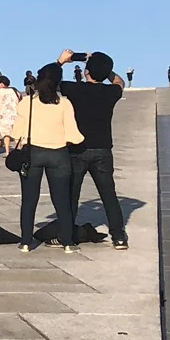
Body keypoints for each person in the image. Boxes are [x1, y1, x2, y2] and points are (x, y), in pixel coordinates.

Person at [11, 62, 84, 253]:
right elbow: (74, 135)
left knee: (29, 199)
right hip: (58, 154)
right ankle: (68, 242)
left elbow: (17, 132)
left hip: (32, 153)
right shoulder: (65, 103)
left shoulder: (27, 103)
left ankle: (26, 241)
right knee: (62, 200)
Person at [60, 49, 128, 250]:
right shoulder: (110, 92)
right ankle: (118, 236)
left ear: (86, 71)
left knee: (72, 194)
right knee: (109, 194)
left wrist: (62, 61)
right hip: (103, 149)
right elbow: (119, 82)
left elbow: (49, 81)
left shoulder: (74, 89)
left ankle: (68, 235)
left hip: (77, 149)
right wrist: (104, 68)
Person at [0, 76, 20, 156]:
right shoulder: (15, 90)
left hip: (4, 115)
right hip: (15, 114)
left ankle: (7, 151)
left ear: (1, 84)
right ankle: (19, 149)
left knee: (6, 134)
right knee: (17, 134)